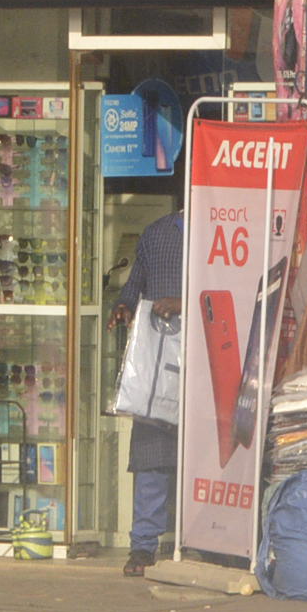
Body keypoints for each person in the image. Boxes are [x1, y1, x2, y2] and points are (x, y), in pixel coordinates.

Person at [111, 209, 186, 576]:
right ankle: (143, 547)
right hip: (158, 359)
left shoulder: (229, 228)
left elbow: (239, 294)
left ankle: (211, 544)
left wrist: (183, 303)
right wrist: (122, 306)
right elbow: (133, 284)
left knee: (207, 460)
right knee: (152, 455)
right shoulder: (156, 233)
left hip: (211, 362)